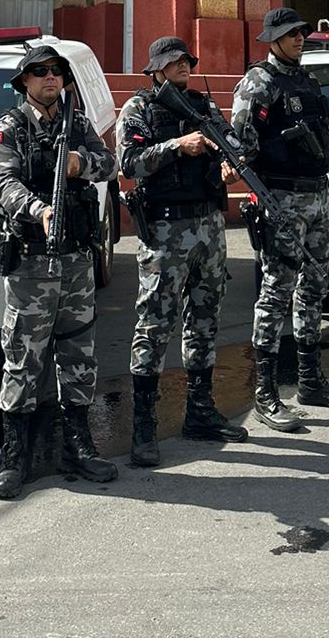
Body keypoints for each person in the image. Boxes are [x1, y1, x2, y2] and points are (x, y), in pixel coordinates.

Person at [0, 43, 118, 500]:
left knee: (79, 352)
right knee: (24, 357)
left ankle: (78, 445)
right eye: (39, 72)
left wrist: (81, 164)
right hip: (32, 261)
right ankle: (14, 457)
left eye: (57, 71)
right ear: (24, 81)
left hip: (77, 259)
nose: (50, 78)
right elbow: (3, 183)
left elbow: (110, 164)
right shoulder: (11, 128)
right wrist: (39, 209)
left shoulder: (76, 123)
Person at [117, 36, 247, 468]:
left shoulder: (204, 107)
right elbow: (129, 162)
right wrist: (177, 146)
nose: (184, 69)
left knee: (206, 319)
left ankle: (200, 411)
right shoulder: (138, 109)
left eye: (187, 62)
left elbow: (232, 142)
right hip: (166, 230)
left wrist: (231, 165)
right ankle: (143, 427)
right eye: (174, 64)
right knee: (154, 324)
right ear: (155, 70)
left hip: (208, 224)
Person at [231, 8, 329, 430]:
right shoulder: (258, 83)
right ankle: (265, 391)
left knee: (314, 289)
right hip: (282, 198)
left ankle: (310, 381)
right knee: (276, 292)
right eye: (290, 34)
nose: (299, 39)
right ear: (273, 40)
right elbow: (241, 145)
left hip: (318, 194)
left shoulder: (307, 80)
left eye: (302, 32)